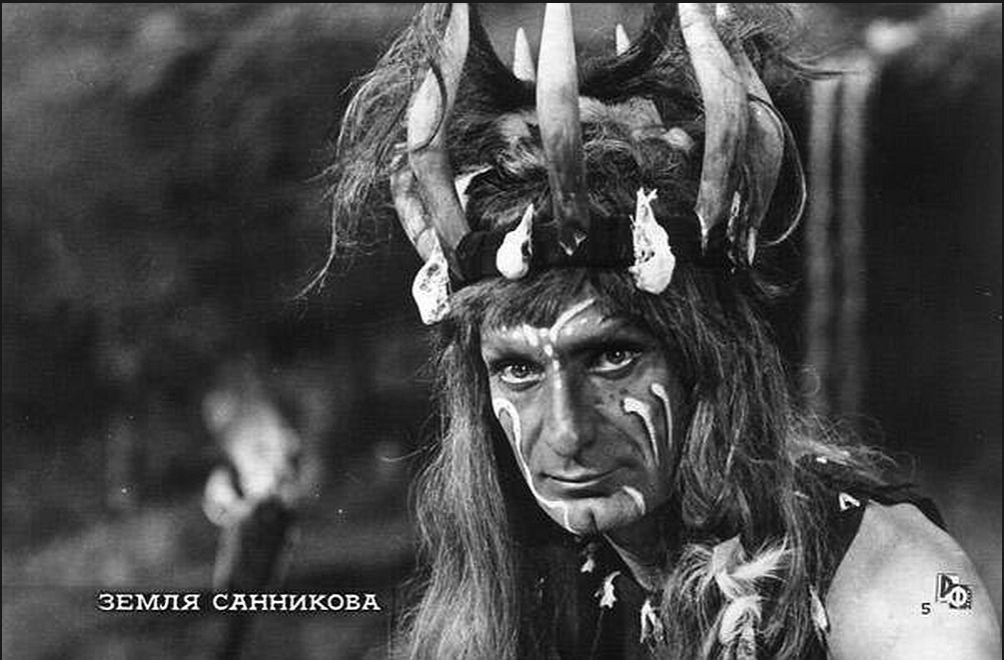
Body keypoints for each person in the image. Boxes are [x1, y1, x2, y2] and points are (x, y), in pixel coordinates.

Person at [326, 4, 1000, 659]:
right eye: (518, 369)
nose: (566, 432)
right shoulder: (526, 576)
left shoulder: (900, 586)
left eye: (613, 356)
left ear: (709, 361)